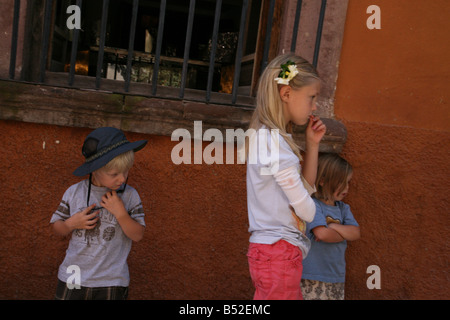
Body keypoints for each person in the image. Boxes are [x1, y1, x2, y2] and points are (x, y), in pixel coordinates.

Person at [246, 53, 326, 300]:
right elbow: (306, 208)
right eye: (311, 98)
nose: (315, 106)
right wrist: (312, 210)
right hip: (278, 252)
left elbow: (304, 189)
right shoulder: (274, 145)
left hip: (274, 251)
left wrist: (312, 146)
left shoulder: (270, 139)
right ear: (286, 94)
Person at [50, 127, 147, 300]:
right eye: (114, 174)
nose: (122, 178)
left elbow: (138, 235)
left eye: (126, 171)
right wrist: (70, 224)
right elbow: (58, 229)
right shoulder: (74, 193)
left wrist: (121, 214)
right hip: (73, 277)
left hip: (111, 281)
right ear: (94, 170)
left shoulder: (130, 195)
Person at [300, 153, 360, 300]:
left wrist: (333, 226)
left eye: (348, 182)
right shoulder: (314, 205)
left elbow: (356, 233)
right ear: (322, 181)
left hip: (335, 277)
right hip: (311, 276)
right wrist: (342, 232)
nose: (347, 188)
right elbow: (322, 234)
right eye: (342, 182)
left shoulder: (343, 208)